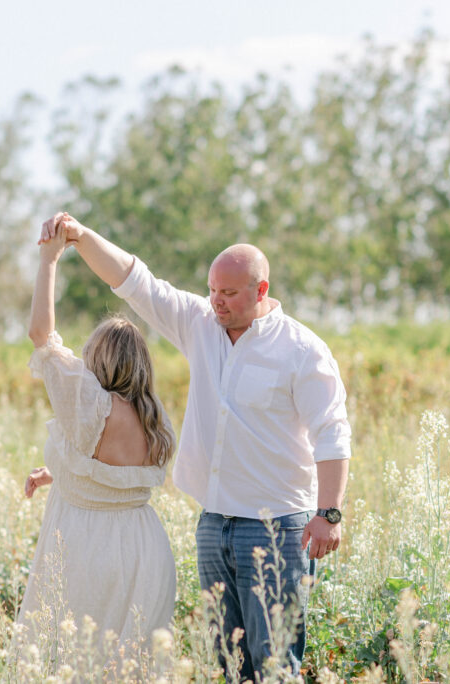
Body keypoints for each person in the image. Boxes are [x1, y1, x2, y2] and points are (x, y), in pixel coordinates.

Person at [39, 212, 352, 681]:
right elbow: (135, 281)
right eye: (212, 291)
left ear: (260, 291)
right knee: (230, 665)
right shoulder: (200, 324)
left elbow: (332, 431)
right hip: (213, 526)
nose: (217, 302)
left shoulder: (302, 350)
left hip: (276, 529)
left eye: (228, 294)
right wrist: (81, 237)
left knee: (274, 667)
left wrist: (328, 513)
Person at [16, 221, 177, 662]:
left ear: (96, 358)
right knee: (129, 666)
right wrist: (58, 473)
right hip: (144, 550)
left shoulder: (88, 401)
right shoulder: (155, 416)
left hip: (89, 545)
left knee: (72, 658)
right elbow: (111, 474)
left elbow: (41, 336)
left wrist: (49, 260)